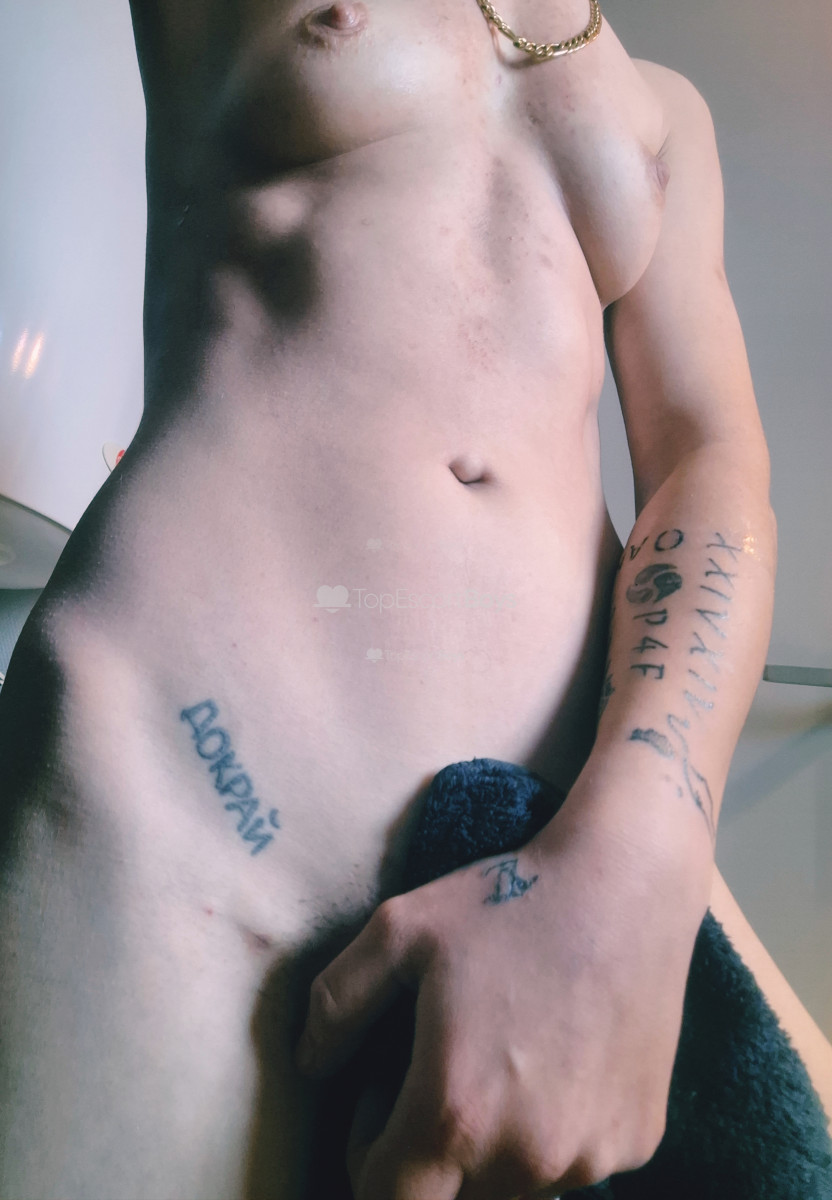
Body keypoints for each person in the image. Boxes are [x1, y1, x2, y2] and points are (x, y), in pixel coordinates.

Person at [0, 0, 830, 1196]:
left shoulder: (662, 112)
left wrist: (646, 842)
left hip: (573, 830)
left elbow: (709, 462)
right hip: (189, 788)